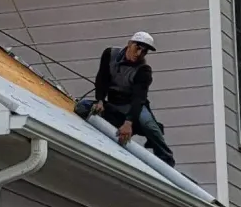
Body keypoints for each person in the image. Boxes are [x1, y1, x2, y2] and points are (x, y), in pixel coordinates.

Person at [75, 29, 175, 167]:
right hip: (113, 103)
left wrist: (129, 123)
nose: (139, 53)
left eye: (144, 51)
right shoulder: (110, 54)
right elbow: (102, 79)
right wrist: (100, 100)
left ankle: (166, 160)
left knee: (149, 126)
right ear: (129, 44)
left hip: (133, 106)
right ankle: (111, 127)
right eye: (137, 48)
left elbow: (138, 99)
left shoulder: (144, 70)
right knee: (82, 107)